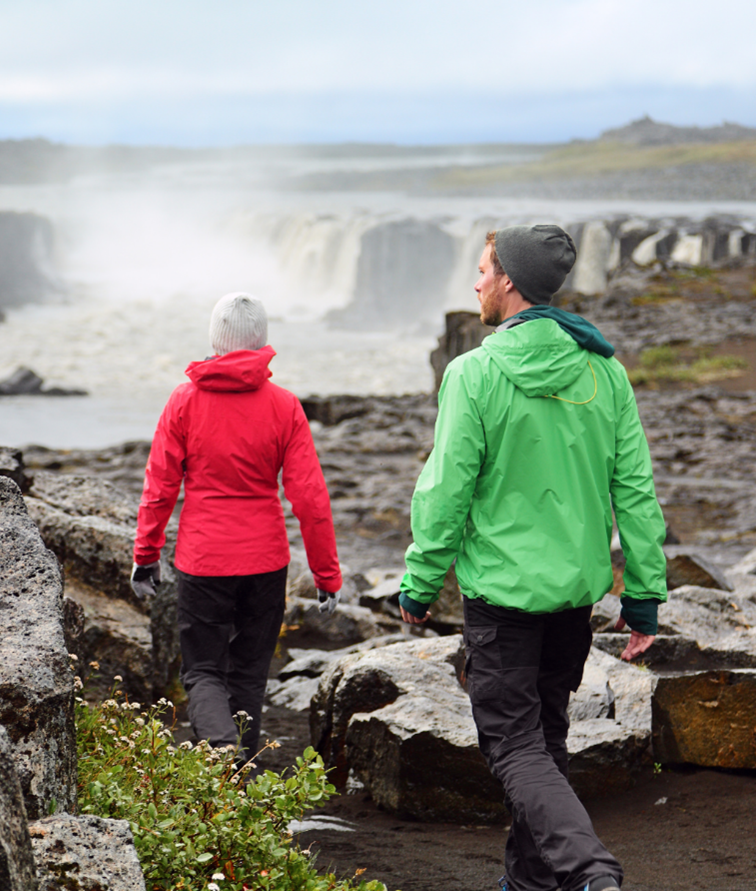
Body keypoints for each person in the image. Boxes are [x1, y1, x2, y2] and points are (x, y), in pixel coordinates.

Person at [398, 225, 667, 891]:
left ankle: (590, 870)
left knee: (513, 746)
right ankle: (531, 886)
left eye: (483, 269)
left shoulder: (475, 373)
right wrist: (641, 597)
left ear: (509, 281)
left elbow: (446, 488)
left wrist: (419, 583)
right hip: (572, 601)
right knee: (543, 745)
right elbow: (632, 490)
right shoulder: (603, 370)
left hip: (503, 602)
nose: (475, 282)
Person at [132, 292, 342, 763]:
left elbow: (160, 484)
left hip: (204, 560)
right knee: (248, 673)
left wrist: (146, 555)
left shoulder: (184, 401)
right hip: (265, 562)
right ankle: (238, 776)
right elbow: (310, 499)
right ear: (262, 342)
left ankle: (220, 749)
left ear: (214, 340)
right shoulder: (285, 406)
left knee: (203, 670)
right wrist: (327, 576)